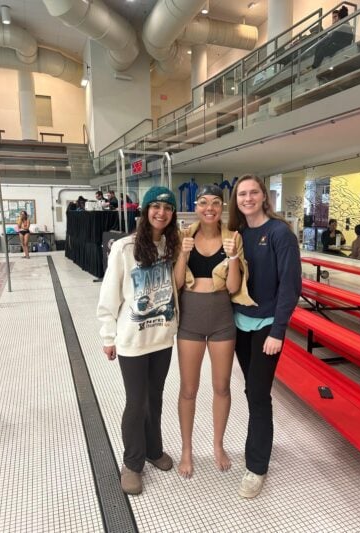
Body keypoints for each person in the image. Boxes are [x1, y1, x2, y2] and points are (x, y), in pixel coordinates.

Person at [97, 186, 180, 496]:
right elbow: (109, 295)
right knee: (136, 402)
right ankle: (132, 463)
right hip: (132, 340)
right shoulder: (124, 247)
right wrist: (108, 336)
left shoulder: (172, 246)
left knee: (155, 398)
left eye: (167, 208)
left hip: (162, 338)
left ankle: (153, 449)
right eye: (155, 207)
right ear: (145, 211)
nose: (161, 212)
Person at [228, 174, 302, 499]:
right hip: (240, 325)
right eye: (242, 194)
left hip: (266, 328)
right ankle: (259, 447)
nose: (247, 198)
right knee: (250, 390)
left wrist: (278, 331)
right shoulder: (239, 233)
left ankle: (256, 467)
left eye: (253, 192)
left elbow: (290, 286)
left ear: (263, 196)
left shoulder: (278, 233)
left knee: (259, 395)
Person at [174, 184, 255, 479]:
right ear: (196, 206)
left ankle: (218, 445)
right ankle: (186, 449)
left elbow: (233, 287)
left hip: (222, 319)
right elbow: (178, 283)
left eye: (216, 203)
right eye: (204, 202)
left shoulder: (233, 238)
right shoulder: (184, 236)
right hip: (190, 321)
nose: (210, 208)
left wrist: (233, 257)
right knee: (188, 389)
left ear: (222, 208)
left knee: (222, 387)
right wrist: (183, 255)